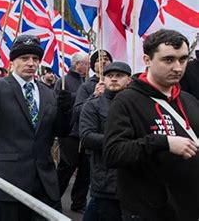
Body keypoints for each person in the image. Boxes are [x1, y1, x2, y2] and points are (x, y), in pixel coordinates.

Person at [0, 34, 73, 220]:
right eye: (24, 58)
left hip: (45, 184)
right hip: (10, 182)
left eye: (35, 59)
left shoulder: (47, 92)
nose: (31, 63)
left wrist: (65, 111)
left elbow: (60, 131)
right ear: (12, 61)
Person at [104, 29, 199, 221]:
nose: (178, 68)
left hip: (189, 208)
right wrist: (163, 142)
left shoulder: (189, 100)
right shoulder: (125, 101)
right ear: (147, 60)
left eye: (183, 59)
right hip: (149, 212)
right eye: (168, 60)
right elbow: (113, 152)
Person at [79, 62, 132, 221]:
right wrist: (121, 144)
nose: (114, 79)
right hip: (105, 180)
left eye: (119, 76)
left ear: (128, 79)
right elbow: (87, 136)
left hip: (132, 181)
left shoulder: (136, 104)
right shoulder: (93, 105)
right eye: (110, 76)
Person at [54, 52, 90, 213]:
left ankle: (79, 203)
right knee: (67, 167)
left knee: (85, 169)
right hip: (69, 132)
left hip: (84, 131)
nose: (89, 67)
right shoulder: (63, 81)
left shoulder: (88, 82)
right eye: (86, 64)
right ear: (77, 64)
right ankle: (53, 198)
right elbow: (59, 104)